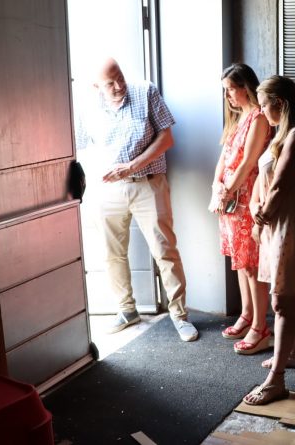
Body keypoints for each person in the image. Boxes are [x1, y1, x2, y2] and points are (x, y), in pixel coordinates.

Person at [75, 57, 198, 342]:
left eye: (120, 77)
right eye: (110, 83)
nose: (119, 85)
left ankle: (180, 315)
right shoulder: (87, 107)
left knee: (165, 250)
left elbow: (167, 138)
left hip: (148, 184)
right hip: (107, 189)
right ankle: (126, 310)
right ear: (96, 86)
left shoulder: (145, 91)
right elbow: (81, 147)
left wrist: (132, 166)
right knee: (112, 253)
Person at [243, 75, 295, 405]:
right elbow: (265, 181)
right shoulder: (284, 134)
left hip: (289, 226)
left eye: (264, 105)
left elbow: (279, 186)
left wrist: (260, 218)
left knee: (281, 301)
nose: (261, 112)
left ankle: (276, 381)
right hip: (279, 224)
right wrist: (256, 211)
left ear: (281, 103)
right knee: (288, 297)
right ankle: (293, 354)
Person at [209, 63, 273, 354]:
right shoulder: (239, 117)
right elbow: (224, 156)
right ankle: (247, 315)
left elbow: (248, 162)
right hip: (231, 197)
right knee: (240, 260)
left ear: (245, 87)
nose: (227, 96)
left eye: (230, 89)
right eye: (225, 90)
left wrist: (228, 191)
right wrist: (216, 186)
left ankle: (261, 327)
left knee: (251, 263)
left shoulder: (259, 118)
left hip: (246, 197)